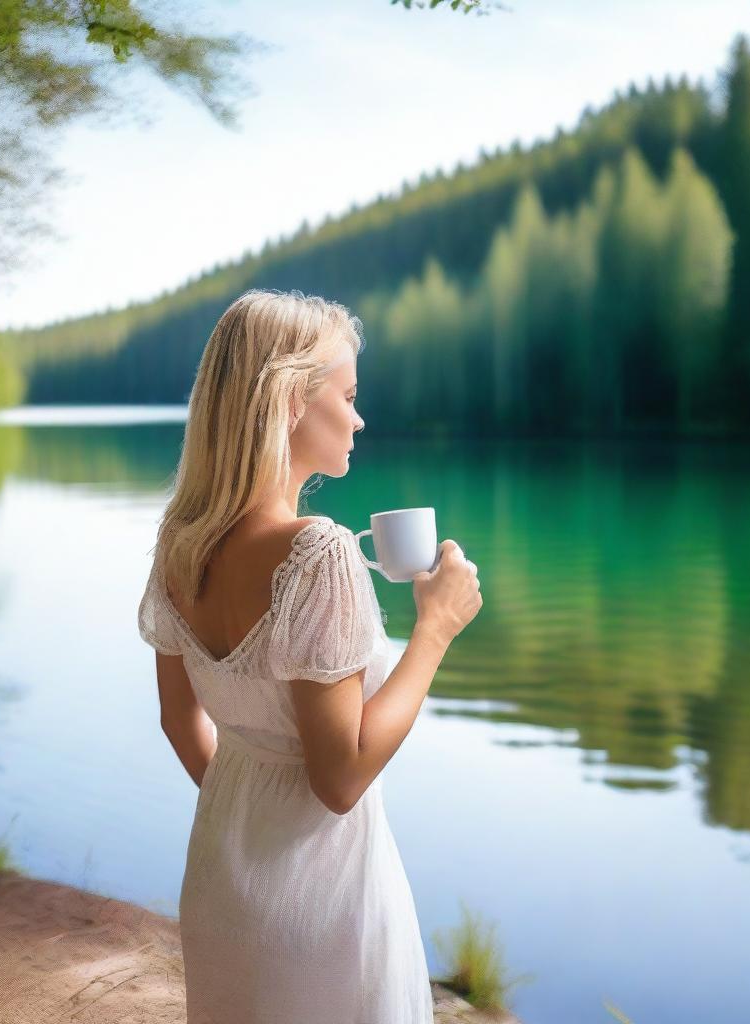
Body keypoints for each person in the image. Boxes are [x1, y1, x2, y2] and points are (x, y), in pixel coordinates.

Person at [136, 287, 482, 1023]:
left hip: (222, 884)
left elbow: (177, 721)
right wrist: (436, 629)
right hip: (324, 900)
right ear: (292, 399)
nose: (359, 417)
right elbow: (341, 776)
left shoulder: (179, 543)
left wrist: (249, 813)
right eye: (349, 394)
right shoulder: (317, 552)